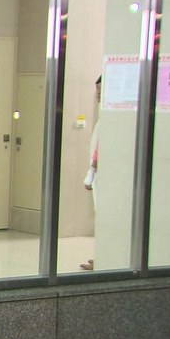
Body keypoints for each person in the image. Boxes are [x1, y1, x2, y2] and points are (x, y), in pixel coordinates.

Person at [81, 75, 102, 271]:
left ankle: (102, 257)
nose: (98, 94)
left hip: (103, 176)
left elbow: (99, 151)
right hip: (100, 177)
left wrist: (92, 172)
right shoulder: (103, 118)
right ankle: (100, 256)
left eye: (100, 90)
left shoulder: (112, 119)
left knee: (104, 218)